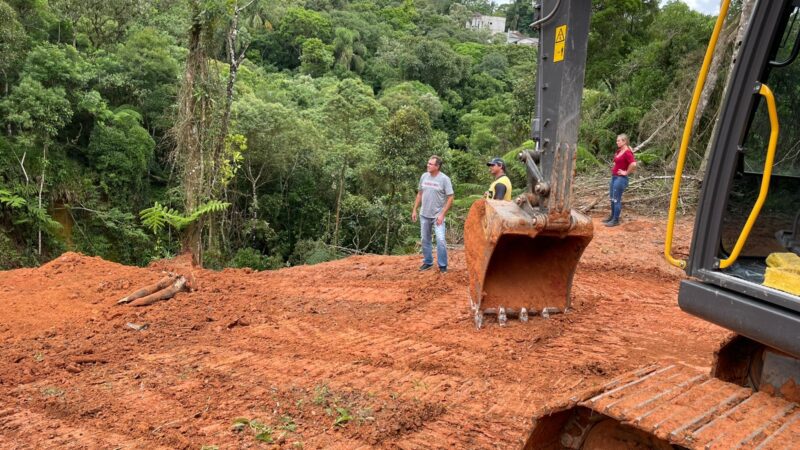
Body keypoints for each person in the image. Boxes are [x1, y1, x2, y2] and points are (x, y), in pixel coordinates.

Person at [412, 155, 454, 273]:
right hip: (424, 214)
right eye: (428, 163)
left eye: (430, 164)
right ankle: (428, 262)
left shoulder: (444, 179)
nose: (428, 165)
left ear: (437, 166)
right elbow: (420, 194)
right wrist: (415, 209)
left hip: (437, 216)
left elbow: (450, 197)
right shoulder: (424, 176)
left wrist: (442, 214)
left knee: (440, 240)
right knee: (425, 239)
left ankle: (442, 266)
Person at [604, 134, 637, 227]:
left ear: (624, 141)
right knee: (612, 198)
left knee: (616, 199)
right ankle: (612, 217)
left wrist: (626, 172)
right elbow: (617, 161)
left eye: (619, 141)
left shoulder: (627, 152)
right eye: (617, 140)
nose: (617, 142)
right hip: (614, 177)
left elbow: (633, 164)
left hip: (620, 179)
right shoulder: (619, 151)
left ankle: (616, 220)